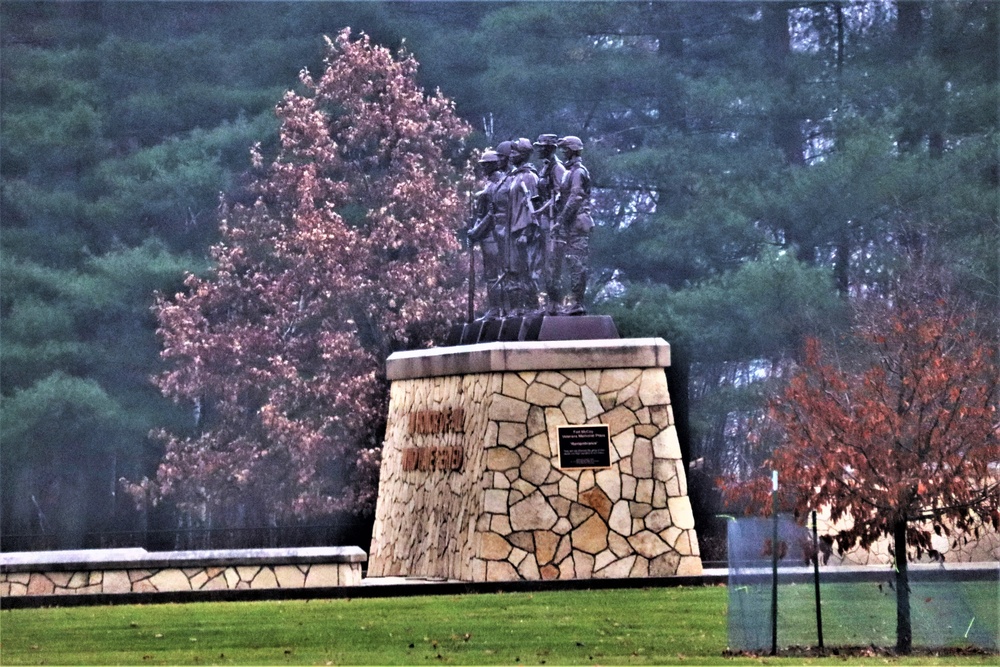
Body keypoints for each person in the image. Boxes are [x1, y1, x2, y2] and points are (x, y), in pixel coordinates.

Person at [547, 135, 593, 315]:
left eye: (566, 149)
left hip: (577, 223)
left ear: (573, 150)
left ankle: (577, 303)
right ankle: (574, 302)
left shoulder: (578, 172)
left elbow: (575, 198)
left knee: (577, 263)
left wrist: (560, 221)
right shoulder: (569, 172)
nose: (563, 152)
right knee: (571, 261)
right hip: (570, 223)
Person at [467, 150, 504, 318]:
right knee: (494, 274)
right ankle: (496, 308)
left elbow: (490, 216)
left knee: (493, 274)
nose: (482, 168)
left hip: (492, 236)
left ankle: (496, 308)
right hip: (490, 235)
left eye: (485, 165)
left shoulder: (494, 187)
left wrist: (476, 232)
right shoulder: (491, 185)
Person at [506, 138, 541, 314]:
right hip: (513, 230)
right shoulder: (515, 176)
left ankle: (534, 306)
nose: (511, 155)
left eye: (515, 152)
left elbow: (533, 206)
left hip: (524, 232)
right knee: (516, 271)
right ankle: (520, 308)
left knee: (528, 270)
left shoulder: (530, 177)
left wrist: (527, 231)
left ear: (524, 154)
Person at [533, 134, 565, 309]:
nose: (539, 150)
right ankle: (549, 303)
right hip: (544, 221)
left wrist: (542, 209)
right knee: (545, 264)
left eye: (542, 147)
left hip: (554, 221)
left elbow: (560, 195)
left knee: (553, 264)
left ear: (551, 149)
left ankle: (556, 303)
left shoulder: (557, 168)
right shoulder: (544, 168)